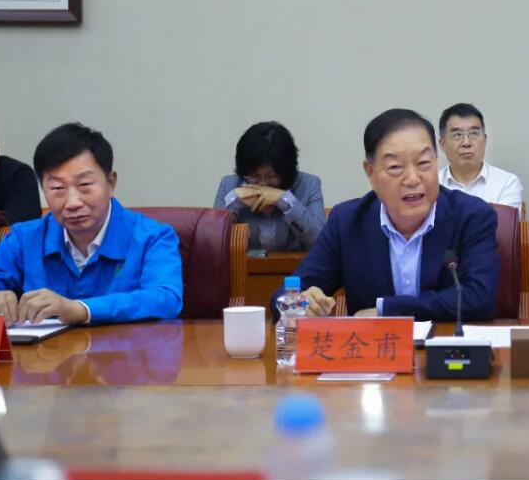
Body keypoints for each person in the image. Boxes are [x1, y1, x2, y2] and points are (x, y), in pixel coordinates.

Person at [0, 122, 183, 325]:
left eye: (85, 185)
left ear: (111, 183)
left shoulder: (153, 237)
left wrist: (79, 309)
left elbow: (166, 299)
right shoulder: (25, 239)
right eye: (57, 188)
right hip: (47, 364)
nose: (72, 202)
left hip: (123, 362)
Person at [272, 108, 500, 321]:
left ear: (435, 161)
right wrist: (301, 304)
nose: (413, 179)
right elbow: (283, 299)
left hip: (448, 346)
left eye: (423, 163)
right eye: (395, 167)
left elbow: (479, 298)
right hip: (375, 349)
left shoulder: (472, 216)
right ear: (370, 173)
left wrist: (387, 310)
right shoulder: (348, 222)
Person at [213, 121, 324, 251]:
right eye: (255, 175)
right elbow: (213, 242)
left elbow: (321, 240)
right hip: (243, 264)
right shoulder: (229, 185)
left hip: (294, 264)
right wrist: (234, 201)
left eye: (271, 176)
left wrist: (284, 200)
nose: (262, 183)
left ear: (286, 171)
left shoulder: (309, 185)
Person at [437, 103, 523, 210]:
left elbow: (504, 221)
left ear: (485, 140)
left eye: (474, 133)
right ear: (442, 144)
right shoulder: (431, 184)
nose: (466, 143)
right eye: (457, 135)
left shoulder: (507, 183)